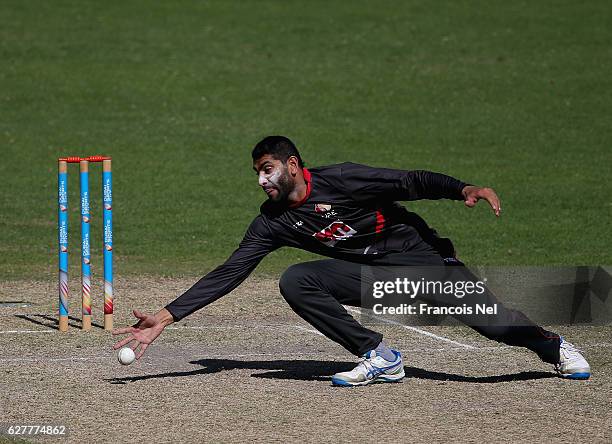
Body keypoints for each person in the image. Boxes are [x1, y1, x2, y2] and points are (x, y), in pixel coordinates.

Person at [113, 135, 591, 386]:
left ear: (293, 165)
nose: (261, 180)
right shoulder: (273, 221)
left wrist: (463, 188)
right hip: (367, 278)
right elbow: (232, 269)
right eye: (256, 173)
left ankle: (552, 347)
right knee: (298, 280)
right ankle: (378, 355)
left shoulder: (342, 180)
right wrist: (165, 317)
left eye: (267, 169)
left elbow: (409, 182)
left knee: (496, 325)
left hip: (420, 264)